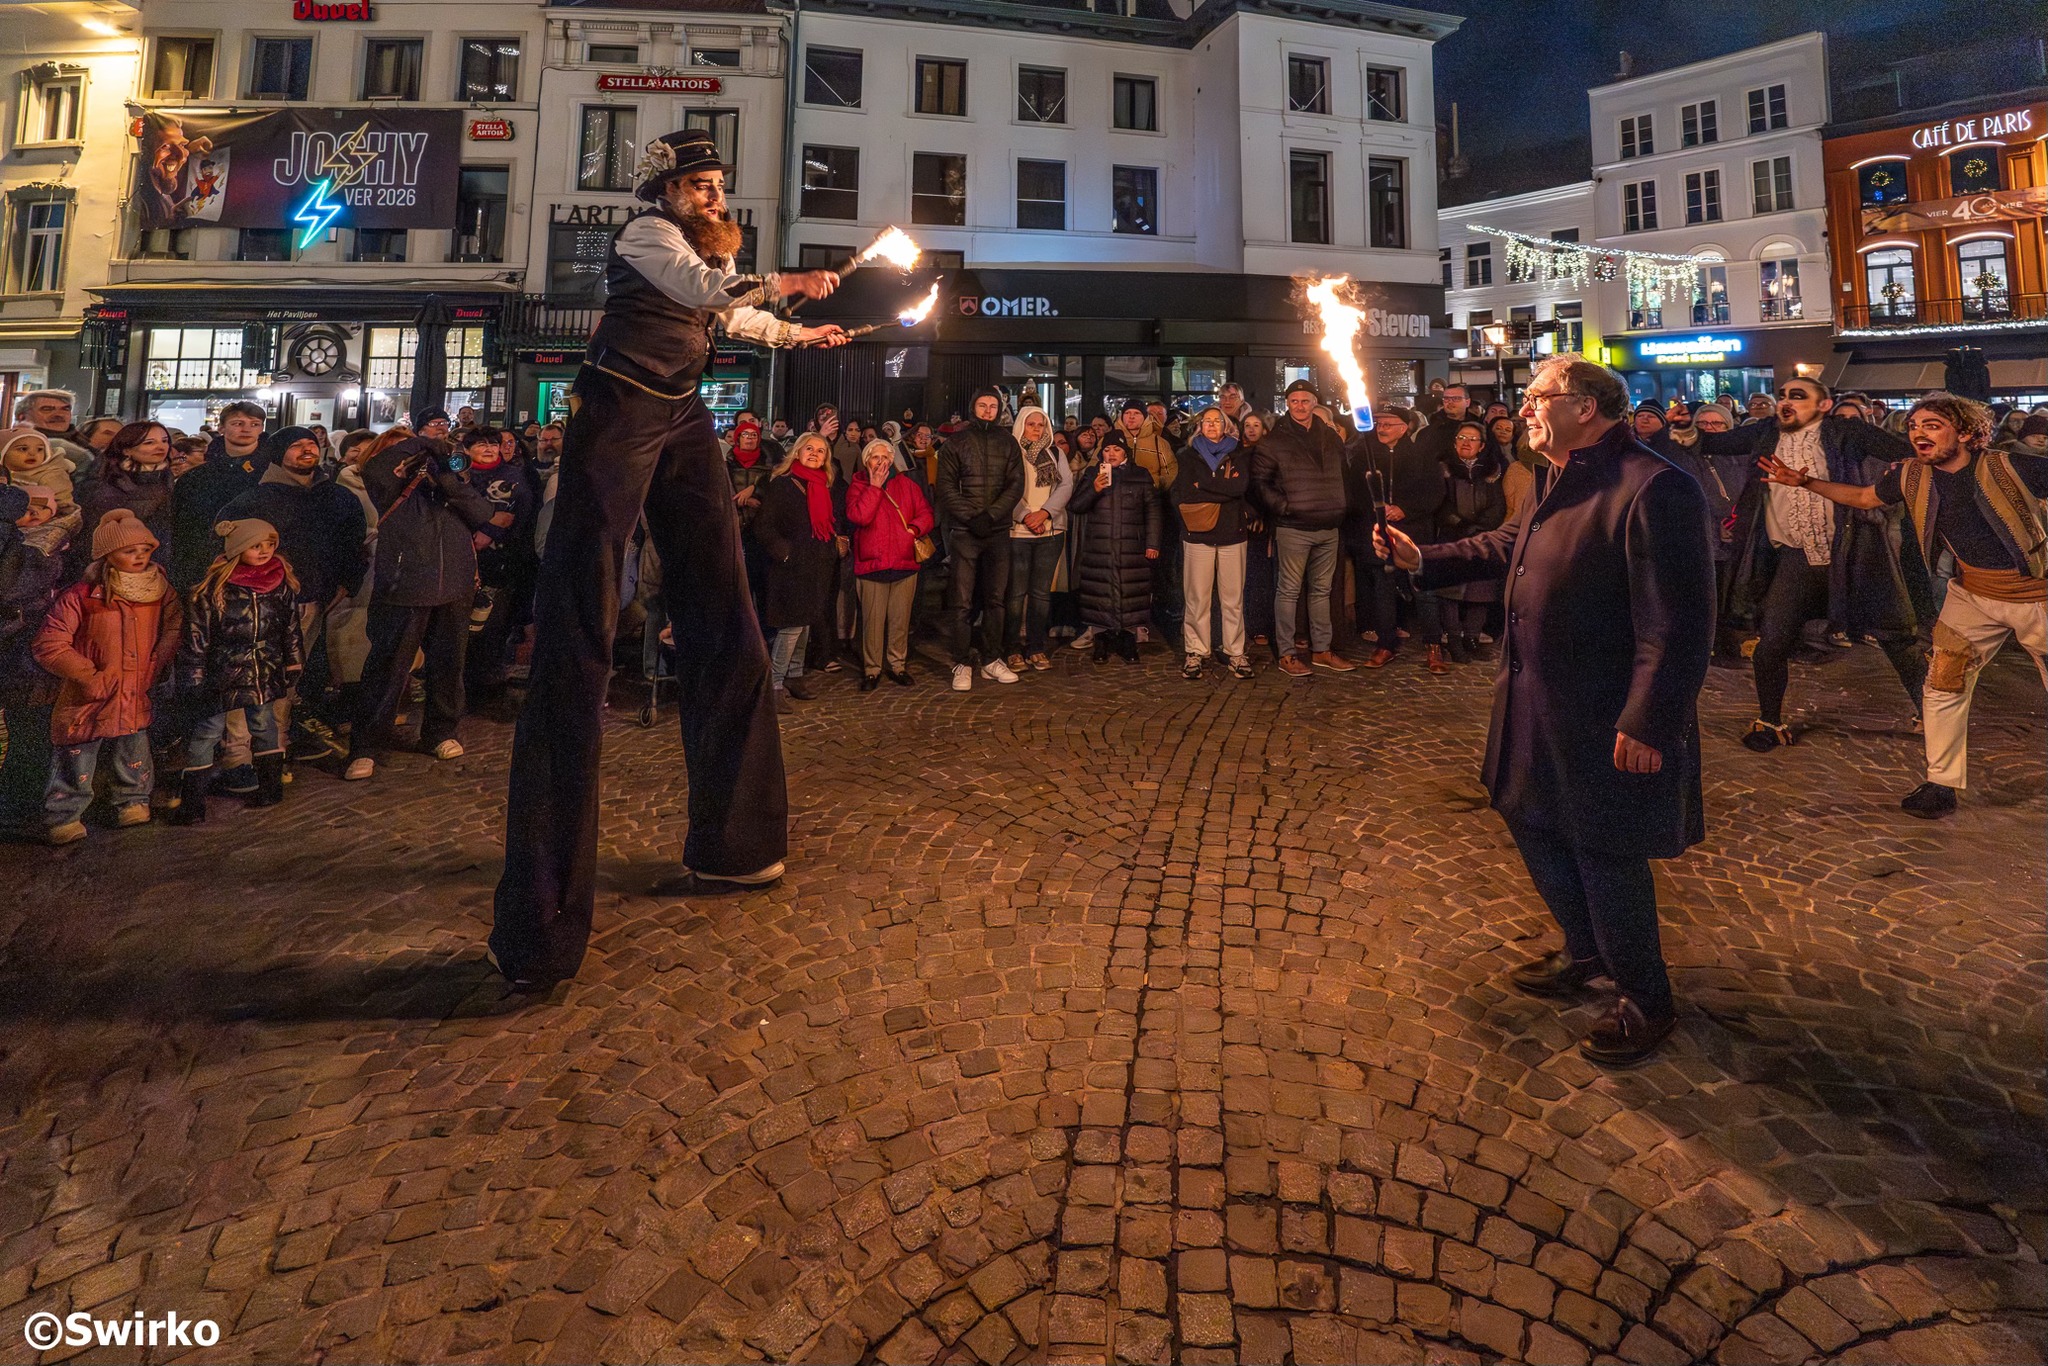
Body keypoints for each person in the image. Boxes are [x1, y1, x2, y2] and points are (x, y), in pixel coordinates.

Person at [494, 129, 848, 988]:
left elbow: (730, 315)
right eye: (701, 184)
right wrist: (788, 281)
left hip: (682, 412)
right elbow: (703, 289)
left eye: (718, 183)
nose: (716, 196)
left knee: (722, 600)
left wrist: (801, 333)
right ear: (667, 190)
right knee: (580, 613)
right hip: (617, 410)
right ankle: (541, 920)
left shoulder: (707, 247)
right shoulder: (647, 235)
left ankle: (737, 844)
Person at [1377, 355, 1714, 1065]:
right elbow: (1511, 545)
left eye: (1537, 396)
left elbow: (1678, 623)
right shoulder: (1551, 476)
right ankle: (1585, 953)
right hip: (1534, 699)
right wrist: (1421, 559)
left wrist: (1648, 720)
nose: (1524, 408)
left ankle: (1644, 997)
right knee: (1528, 816)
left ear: (1585, 406)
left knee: (1604, 850)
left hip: (1602, 711)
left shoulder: (1655, 487)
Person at [1759, 392, 2048, 818]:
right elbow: (1863, 498)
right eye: (1913, 426)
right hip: (1972, 597)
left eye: (1932, 425)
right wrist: (1804, 483)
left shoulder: (2012, 466)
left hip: (2036, 599)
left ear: (1965, 432)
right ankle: (1941, 784)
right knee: (1942, 686)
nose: (1918, 433)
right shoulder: (1911, 475)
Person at [1697, 378, 1926, 751]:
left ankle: (1932, 714)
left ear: (1823, 405)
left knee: (1897, 638)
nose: (1786, 402)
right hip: (1797, 557)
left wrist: (1909, 462)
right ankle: (1770, 721)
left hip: (1854, 551)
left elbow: (1902, 450)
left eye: (1798, 396)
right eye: (1783, 396)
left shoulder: (1845, 432)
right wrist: (1681, 428)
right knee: (1772, 643)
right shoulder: (1766, 433)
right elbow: (1713, 443)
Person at [345, 433, 495, 782]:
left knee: (448, 665)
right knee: (387, 669)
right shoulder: (387, 486)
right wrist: (421, 444)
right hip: (405, 587)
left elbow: (481, 513)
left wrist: (446, 477)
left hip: (454, 586)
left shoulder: (447, 488)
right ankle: (366, 744)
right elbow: (378, 468)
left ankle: (441, 732)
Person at [32, 511, 183, 844]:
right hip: (90, 695)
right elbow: (50, 643)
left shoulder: (160, 590)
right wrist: (87, 675)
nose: (140, 556)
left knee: (133, 747)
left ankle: (132, 801)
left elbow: (173, 626)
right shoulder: (83, 595)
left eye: (145, 549)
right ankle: (64, 815)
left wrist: (157, 662)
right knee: (77, 753)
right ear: (107, 555)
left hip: (134, 689)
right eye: (130, 551)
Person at [170, 518, 304, 822]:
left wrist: (294, 659)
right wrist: (194, 674)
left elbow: (290, 627)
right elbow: (197, 636)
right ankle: (193, 804)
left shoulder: (278, 583)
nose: (264, 551)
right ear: (238, 548)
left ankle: (270, 789)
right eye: (256, 545)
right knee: (208, 730)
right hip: (223, 669)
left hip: (263, 666)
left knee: (264, 724)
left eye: (270, 544)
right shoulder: (213, 588)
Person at [1253, 380, 1353, 677]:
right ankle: (1287, 653)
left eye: (1305, 400)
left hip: (1329, 525)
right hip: (1294, 526)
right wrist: (1286, 507)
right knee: (1289, 591)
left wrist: (1342, 505)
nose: (1299, 405)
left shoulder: (1330, 436)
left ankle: (1321, 649)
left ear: (1314, 403)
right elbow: (1260, 482)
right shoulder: (1274, 440)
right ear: (1288, 403)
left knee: (1322, 591)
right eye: (1294, 400)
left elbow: (1344, 474)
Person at [934, 388, 1025, 691]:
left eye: (993, 406)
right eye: (983, 405)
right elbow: (946, 487)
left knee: (996, 600)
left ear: (1000, 409)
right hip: (965, 532)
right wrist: (972, 517)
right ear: (973, 407)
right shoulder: (956, 442)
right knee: (961, 602)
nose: (988, 410)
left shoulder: (1008, 442)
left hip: (997, 531)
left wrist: (992, 515)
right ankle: (961, 662)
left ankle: (991, 659)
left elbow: (1016, 484)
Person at [755, 434, 844, 703]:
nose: (815, 453)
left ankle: (794, 675)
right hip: (791, 569)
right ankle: (774, 684)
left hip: (816, 566)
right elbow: (764, 526)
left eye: (821, 450)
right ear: (797, 452)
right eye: (809, 448)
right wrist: (785, 554)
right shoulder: (782, 484)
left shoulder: (823, 485)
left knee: (805, 624)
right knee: (791, 627)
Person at [845, 437, 934, 689]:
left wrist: (913, 530)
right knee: (872, 622)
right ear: (866, 461)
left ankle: (897, 665)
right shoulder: (857, 486)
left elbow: (926, 513)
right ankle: (872, 669)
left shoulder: (907, 484)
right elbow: (859, 516)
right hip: (872, 565)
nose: (881, 462)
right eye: (875, 457)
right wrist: (874, 487)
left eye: (885, 457)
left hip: (904, 562)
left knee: (899, 620)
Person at [1172, 406, 1253, 679]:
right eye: (1206, 421)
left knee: (1233, 599)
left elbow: (1239, 488)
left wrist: (1205, 485)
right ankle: (1196, 651)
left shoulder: (1239, 453)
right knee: (1197, 597)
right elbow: (1185, 492)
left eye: (1217, 420)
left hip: (1233, 532)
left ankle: (1235, 652)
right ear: (1199, 425)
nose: (1211, 425)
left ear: (1226, 425)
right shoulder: (1187, 455)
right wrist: (1224, 490)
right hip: (1197, 533)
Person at [456, 427, 534, 704]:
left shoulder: (514, 477)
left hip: (500, 562)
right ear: (467, 450)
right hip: (460, 560)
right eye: (481, 444)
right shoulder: (459, 477)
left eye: (493, 444)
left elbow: (519, 514)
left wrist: (492, 531)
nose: (489, 449)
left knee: (493, 625)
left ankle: (487, 686)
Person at [1069, 435, 1159, 663]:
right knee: (1100, 594)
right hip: (1100, 547)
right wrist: (1094, 489)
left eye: (1116, 449)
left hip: (1132, 546)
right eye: (1107, 449)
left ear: (1125, 452)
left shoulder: (1140, 474)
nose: (1111, 454)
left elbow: (1153, 511)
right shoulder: (1092, 473)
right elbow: (1076, 506)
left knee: (1130, 594)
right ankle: (1101, 643)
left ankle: (1128, 642)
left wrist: (1152, 543)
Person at [170, 400, 269, 590]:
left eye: (254, 424)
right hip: (204, 566)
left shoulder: (272, 471)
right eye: (238, 423)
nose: (246, 429)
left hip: (258, 568)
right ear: (222, 428)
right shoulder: (196, 476)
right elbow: (181, 528)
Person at [1004, 406, 1073, 673]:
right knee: (1015, 593)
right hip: (1017, 532)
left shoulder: (1054, 453)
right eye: (1031, 424)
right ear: (1021, 424)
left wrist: (1044, 513)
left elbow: (1065, 485)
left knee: (1041, 593)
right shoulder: (1011, 452)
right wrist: (1025, 516)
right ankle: (1012, 648)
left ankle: (1036, 647)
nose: (1036, 429)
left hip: (1050, 530)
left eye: (1041, 424)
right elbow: (1005, 488)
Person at [1437, 420, 1509, 661]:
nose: (1466, 443)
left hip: (1482, 538)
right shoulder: (1443, 468)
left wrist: (1481, 528)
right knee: (1451, 592)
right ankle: (1454, 641)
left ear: (1482, 445)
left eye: (1472, 439)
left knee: (1480, 591)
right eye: (1461, 438)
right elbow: (1441, 503)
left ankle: (1472, 637)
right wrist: (1460, 525)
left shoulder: (1492, 469)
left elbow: (1498, 504)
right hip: (1452, 537)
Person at [77, 423, 176, 573]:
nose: (161, 447)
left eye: (164, 441)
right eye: (149, 442)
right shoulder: (106, 482)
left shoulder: (168, 478)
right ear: (127, 450)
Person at [3, 427, 78, 516]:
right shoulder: (4, 471)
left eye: (39, 449)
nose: (32, 454)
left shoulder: (49, 475)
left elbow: (64, 502)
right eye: (23, 449)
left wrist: (61, 510)